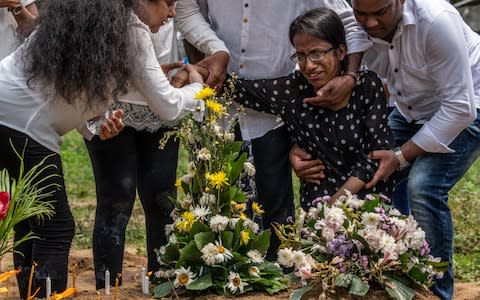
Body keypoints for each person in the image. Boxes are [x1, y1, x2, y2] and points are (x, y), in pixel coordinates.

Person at [0, 0, 205, 298]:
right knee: (56, 228)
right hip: (23, 126)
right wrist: (197, 88)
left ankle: (31, 294)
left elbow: (64, 88)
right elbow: (169, 106)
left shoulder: (82, 15)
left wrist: (99, 121)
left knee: (31, 218)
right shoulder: (131, 29)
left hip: (8, 108)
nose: (172, 13)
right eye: (168, 3)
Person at [292, 0, 480, 298]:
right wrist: (351, 75)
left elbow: (460, 109)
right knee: (369, 167)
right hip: (411, 109)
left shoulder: (436, 22)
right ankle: (387, 272)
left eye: (379, 13)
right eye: (361, 13)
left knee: (423, 187)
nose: (369, 23)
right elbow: (354, 33)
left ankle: (436, 292)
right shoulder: (365, 20)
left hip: (467, 104)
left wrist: (401, 156)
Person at [174, 0, 371, 259]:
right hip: (217, 110)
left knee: (276, 219)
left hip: (276, 115)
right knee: (215, 215)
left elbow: (351, 26)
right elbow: (191, 17)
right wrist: (205, 66)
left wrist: (350, 77)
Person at [232, 8, 395, 208]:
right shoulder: (294, 90)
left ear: (341, 51)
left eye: (317, 53)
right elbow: (238, 90)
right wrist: (197, 73)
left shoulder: (366, 87)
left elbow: (375, 157)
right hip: (318, 208)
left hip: (368, 206)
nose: (308, 66)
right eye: (301, 56)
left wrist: (332, 209)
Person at [83, 19, 187, 289]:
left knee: (163, 197)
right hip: (111, 100)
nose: (170, 10)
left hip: (163, 95)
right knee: (115, 197)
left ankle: (163, 281)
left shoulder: (171, 13)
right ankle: (107, 287)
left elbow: (187, 20)